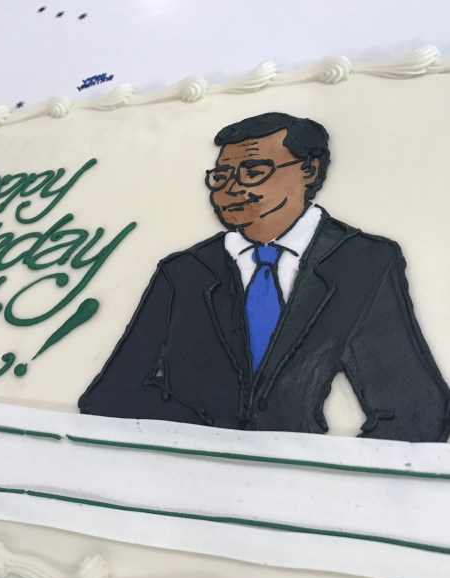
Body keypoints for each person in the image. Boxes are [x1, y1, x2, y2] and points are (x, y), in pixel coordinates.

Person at [79, 112, 450, 442]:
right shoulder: (184, 271)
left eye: (253, 172)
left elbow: (415, 407)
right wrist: (207, 447)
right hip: (188, 477)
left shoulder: (363, 261)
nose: (229, 190)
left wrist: (326, 480)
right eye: (221, 176)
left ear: (309, 170)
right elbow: (110, 395)